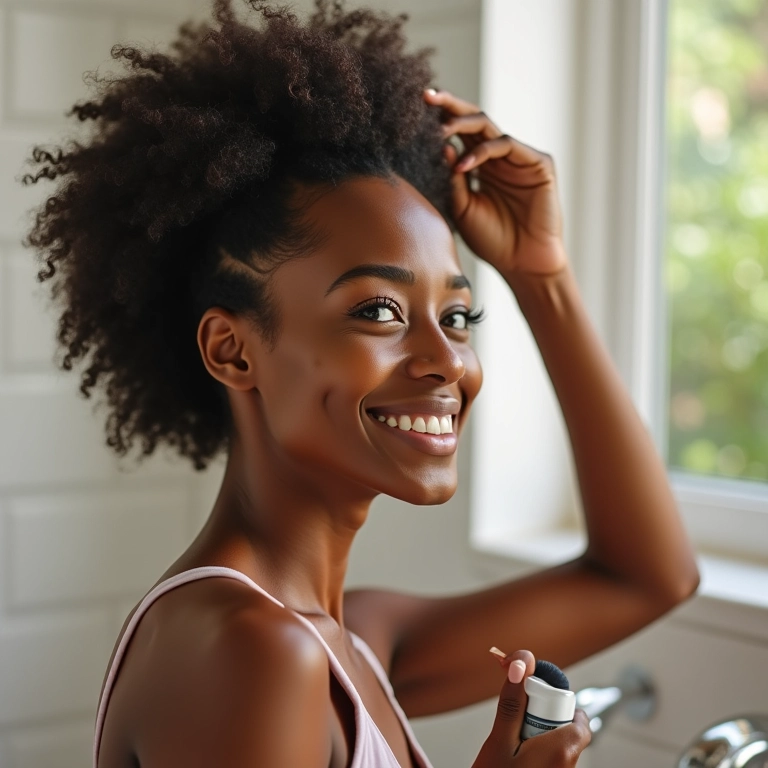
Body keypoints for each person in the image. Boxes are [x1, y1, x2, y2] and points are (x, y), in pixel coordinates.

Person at [20, 1, 700, 766]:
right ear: (233, 350)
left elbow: (646, 576)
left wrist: (540, 276)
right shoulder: (254, 653)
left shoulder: (354, 641)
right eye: (379, 310)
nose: (447, 360)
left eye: (458, 314)